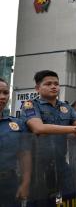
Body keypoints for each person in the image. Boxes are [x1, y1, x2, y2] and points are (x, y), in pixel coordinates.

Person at [20, 70, 76, 203]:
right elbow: (38, 128)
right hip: (38, 167)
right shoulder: (30, 105)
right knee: (41, 203)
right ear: (37, 88)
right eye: (48, 84)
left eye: (56, 84)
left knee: (71, 200)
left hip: (61, 164)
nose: (54, 86)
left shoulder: (66, 107)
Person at [0, 77, 31, 206]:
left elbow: (24, 155)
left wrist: (25, 183)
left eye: (6, 93)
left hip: (9, 183)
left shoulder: (17, 124)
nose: (2, 97)